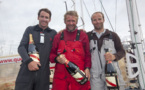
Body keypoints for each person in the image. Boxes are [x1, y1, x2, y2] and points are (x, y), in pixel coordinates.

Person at [15, 8, 57, 90]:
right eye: (42, 16)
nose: (44, 19)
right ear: (38, 17)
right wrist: (29, 61)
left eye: (46, 17)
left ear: (50, 19)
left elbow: (62, 42)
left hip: (43, 76)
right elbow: (21, 47)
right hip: (26, 72)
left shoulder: (53, 33)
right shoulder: (30, 30)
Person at [49, 11, 91, 90]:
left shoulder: (83, 35)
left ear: (76, 22)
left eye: (73, 21)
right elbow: (51, 55)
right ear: (65, 21)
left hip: (78, 75)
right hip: (61, 77)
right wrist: (56, 58)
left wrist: (87, 68)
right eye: (68, 21)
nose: (71, 23)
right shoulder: (58, 36)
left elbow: (88, 54)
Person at [87, 12, 126, 90]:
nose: (97, 22)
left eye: (99, 19)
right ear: (92, 22)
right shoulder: (87, 36)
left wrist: (114, 56)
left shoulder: (113, 35)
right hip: (95, 77)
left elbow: (122, 51)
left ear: (103, 20)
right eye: (94, 20)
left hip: (112, 73)